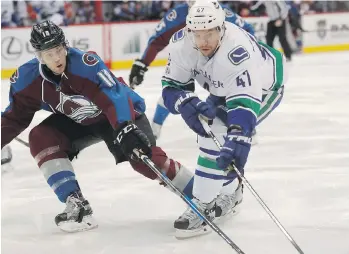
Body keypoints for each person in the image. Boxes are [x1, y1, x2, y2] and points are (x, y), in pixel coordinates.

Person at [1, 20, 198, 233]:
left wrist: (125, 127)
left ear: (65, 46)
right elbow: (14, 118)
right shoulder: (27, 81)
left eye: (59, 50)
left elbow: (115, 97)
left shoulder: (86, 64)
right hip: (77, 121)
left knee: (143, 159)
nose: (57, 58)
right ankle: (76, 203)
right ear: (39, 56)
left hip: (116, 114)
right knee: (40, 137)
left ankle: (201, 195)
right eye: (49, 54)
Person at [161, 0, 287, 237]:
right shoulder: (181, 44)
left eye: (209, 33)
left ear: (222, 28)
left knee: (221, 136)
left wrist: (240, 133)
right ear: (189, 31)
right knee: (209, 137)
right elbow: (171, 85)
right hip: (221, 88)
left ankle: (201, 205)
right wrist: (183, 101)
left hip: (264, 87)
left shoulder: (236, 49)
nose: (204, 41)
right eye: (198, 35)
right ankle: (231, 191)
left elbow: (243, 103)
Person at [129, 0, 255, 140]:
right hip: (189, 60)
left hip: (219, 61)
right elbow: (157, 40)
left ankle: (238, 122)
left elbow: (247, 31)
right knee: (176, 91)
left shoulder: (219, 12)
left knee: (227, 92)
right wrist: (142, 63)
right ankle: (155, 128)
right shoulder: (178, 14)